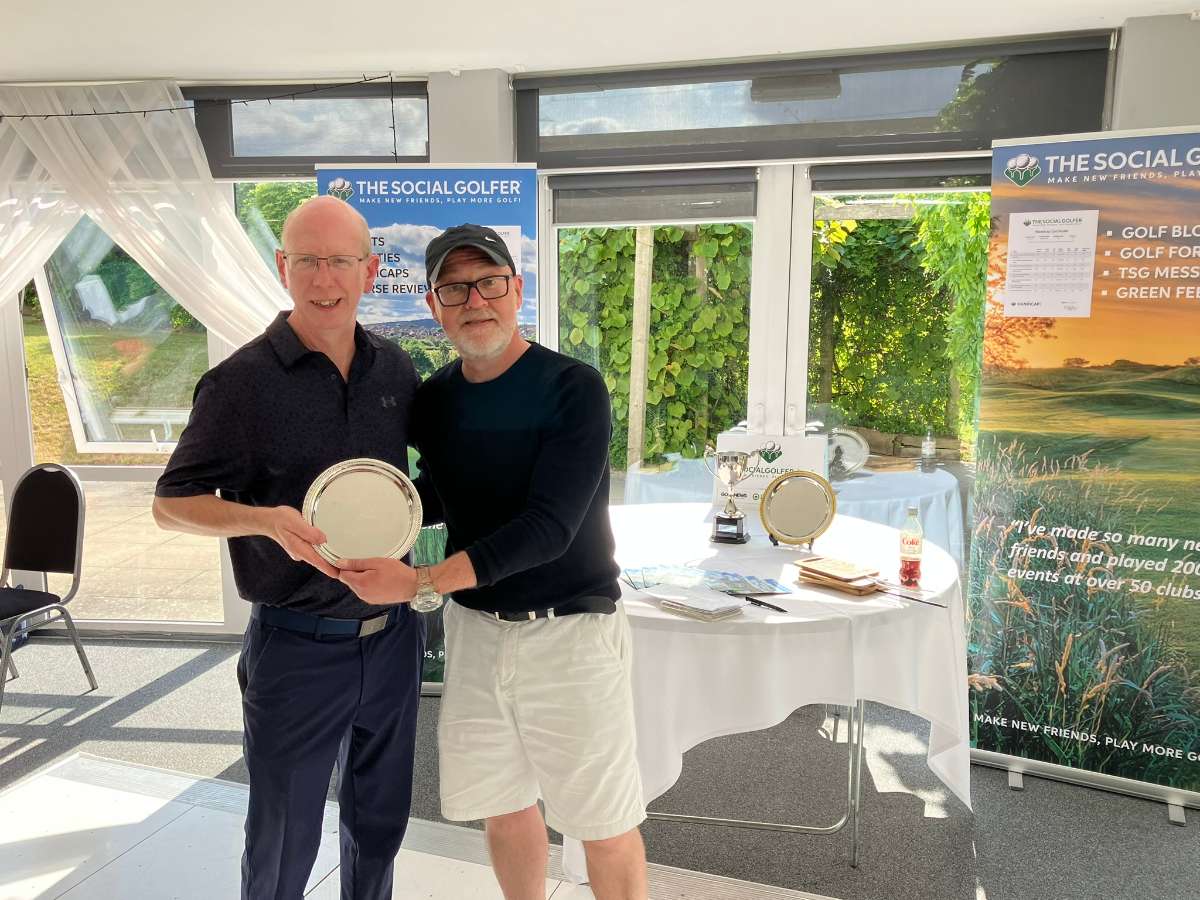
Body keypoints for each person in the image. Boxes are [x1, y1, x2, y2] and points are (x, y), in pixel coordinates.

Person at [338, 224, 648, 900]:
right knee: (503, 806)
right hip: (477, 632)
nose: (474, 300)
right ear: (433, 304)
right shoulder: (435, 401)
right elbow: (439, 493)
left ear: (517, 289)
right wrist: (359, 515)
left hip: (571, 633)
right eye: (454, 288)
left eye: (488, 282)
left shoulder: (573, 387)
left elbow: (549, 527)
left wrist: (420, 581)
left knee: (603, 822)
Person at [152, 195, 424, 900]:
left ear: (369, 269)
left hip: (393, 639)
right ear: (282, 267)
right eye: (307, 261)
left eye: (339, 261)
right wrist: (264, 522)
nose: (324, 279)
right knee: (282, 840)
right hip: (297, 648)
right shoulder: (240, 383)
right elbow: (170, 504)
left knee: (380, 827)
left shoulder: (396, 371)